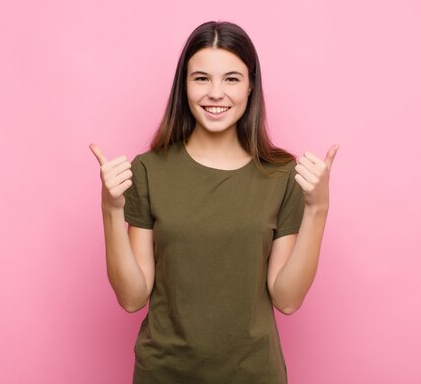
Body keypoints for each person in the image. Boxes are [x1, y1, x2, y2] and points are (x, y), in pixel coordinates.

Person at [89, 21, 339, 384]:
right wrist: (111, 210)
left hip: (254, 375)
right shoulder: (148, 170)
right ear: (184, 85)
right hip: (164, 374)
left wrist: (318, 209)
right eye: (202, 78)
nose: (216, 93)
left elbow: (287, 299)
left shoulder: (281, 175)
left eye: (232, 79)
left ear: (251, 85)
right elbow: (132, 297)